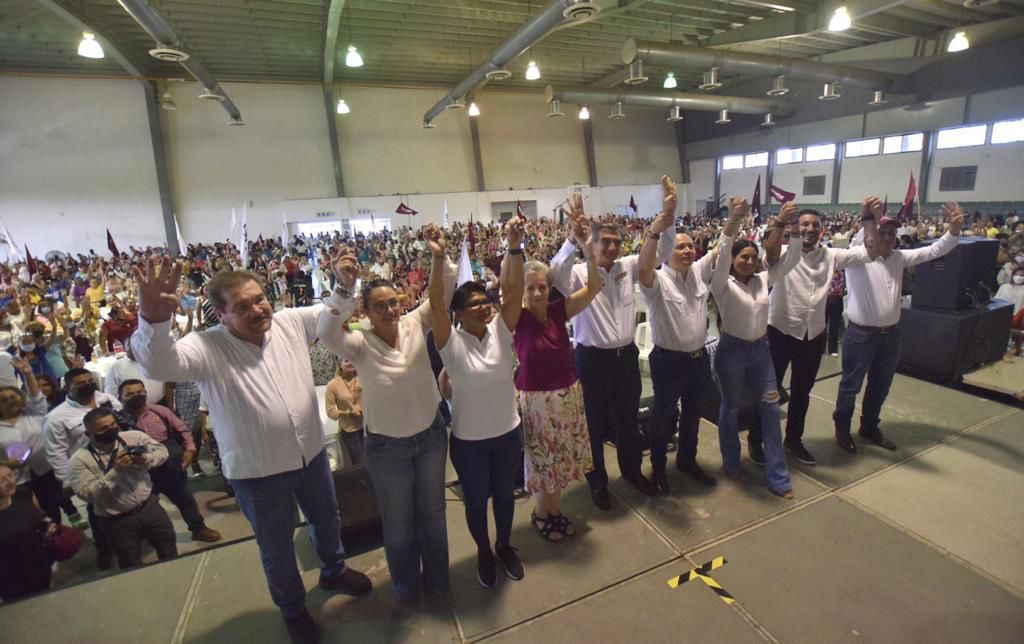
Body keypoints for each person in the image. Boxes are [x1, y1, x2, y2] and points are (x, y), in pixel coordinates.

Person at [131, 258, 371, 644]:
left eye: (259, 299)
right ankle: (293, 609)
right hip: (259, 474)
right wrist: (154, 321)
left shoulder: (289, 323)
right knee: (277, 546)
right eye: (242, 307)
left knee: (328, 519)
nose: (257, 309)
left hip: (310, 455)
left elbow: (330, 314)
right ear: (221, 315)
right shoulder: (206, 346)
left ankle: (334, 570)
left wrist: (343, 286)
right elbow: (159, 364)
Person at [317, 233, 456, 605]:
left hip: (430, 438)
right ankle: (406, 587)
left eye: (394, 302)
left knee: (433, 514)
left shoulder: (415, 323)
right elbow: (325, 331)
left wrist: (439, 258)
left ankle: (439, 579)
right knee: (399, 522)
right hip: (387, 449)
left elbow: (442, 296)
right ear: (364, 312)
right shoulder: (359, 343)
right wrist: (343, 289)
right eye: (380, 306)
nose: (391, 310)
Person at [548, 187, 675, 508]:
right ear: (592, 243)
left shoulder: (628, 266)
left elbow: (660, 255)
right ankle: (597, 482)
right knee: (593, 423)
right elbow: (554, 273)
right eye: (604, 241)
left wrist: (665, 221)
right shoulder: (579, 274)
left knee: (628, 420)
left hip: (625, 358)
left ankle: (631, 472)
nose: (612, 247)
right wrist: (572, 239)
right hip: (591, 360)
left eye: (616, 242)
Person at [431, 218, 526, 588]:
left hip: (508, 435)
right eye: (474, 304)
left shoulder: (501, 330)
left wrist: (514, 247)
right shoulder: (451, 344)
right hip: (469, 443)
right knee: (475, 502)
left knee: (504, 497)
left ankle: (504, 545)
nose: (485, 307)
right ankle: (484, 551)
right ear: (458, 313)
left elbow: (514, 293)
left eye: (486, 301)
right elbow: (435, 305)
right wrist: (438, 259)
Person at [833, 202, 964, 453]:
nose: (887, 238)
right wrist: (870, 216)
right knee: (851, 386)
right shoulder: (858, 258)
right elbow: (862, 237)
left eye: (891, 233)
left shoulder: (899, 258)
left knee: (880, 386)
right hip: (860, 336)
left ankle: (869, 427)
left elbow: (935, 250)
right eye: (882, 233)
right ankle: (842, 428)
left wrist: (954, 230)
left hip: (890, 336)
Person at [747, 203, 872, 467]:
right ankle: (756, 439)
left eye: (815, 225)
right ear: (796, 227)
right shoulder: (784, 251)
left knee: (802, 392)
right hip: (780, 331)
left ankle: (793, 440)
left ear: (822, 230)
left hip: (812, 335)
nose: (810, 229)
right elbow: (770, 254)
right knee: (769, 391)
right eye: (804, 224)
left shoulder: (831, 255)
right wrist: (781, 222)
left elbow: (869, 252)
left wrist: (869, 218)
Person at [514, 200, 601, 541]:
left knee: (562, 457)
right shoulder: (516, 318)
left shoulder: (557, 310)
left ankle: (554, 509)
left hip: (567, 395)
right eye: (531, 287)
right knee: (543, 459)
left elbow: (593, 288)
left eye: (542, 286)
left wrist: (587, 249)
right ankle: (541, 513)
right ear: (521, 291)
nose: (538, 292)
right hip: (536, 401)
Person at [710, 197, 802, 498]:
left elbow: (791, 260)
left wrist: (792, 227)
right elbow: (724, 249)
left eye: (753, 257)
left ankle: (778, 477)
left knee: (771, 409)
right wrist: (734, 219)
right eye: (743, 257)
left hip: (761, 354)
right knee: (731, 408)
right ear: (733, 260)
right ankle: (731, 462)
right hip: (731, 354)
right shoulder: (722, 284)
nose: (749, 262)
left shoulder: (763, 279)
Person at [637, 176, 719, 495]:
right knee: (663, 417)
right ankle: (658, 468)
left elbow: (721, 247)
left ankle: (687, 460)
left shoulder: (697, 273)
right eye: (680, 246)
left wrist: (734, 220)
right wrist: (664, 218)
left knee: (693, 415)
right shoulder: (657, 281)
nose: (686, 250)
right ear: (668, 252)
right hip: (669, 362)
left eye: (690, 246)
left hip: (698, 361)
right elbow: (644, 267)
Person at [68, 407, 177, 569]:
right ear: (88, 434)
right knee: (129, 561)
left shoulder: (134, 437)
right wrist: (115, 472)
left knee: (168, 543)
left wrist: (145, 459)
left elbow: (162, 452)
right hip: (117, 520)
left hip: (149, 507)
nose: (111, 429)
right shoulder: (79, 461)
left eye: (113, 424)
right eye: (103, 428)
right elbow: (87, 494)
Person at [116, 379, 220, 542]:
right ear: (120, 397)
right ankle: (152, 537)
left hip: (170, 465)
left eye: (139, 392)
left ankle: (198, 529)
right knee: (146, 507)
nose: (136, 396)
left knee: (185, 499)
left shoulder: (159, 411)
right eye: (130, 394)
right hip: (140, 470)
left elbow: (183, 430)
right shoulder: (118, 421)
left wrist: (190, 450)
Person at [43, 367, 122, 569]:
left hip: (120, 458)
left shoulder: (106, 400)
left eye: (89, 380)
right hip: (90, 469)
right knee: (98, 510)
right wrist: (67, 481)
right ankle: (104, 548)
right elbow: (56, 453)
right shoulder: (56, 417)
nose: (87, 385)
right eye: (80, 383)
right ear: (67, 387)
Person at [0, 356, 64, 524]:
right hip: (17, 479)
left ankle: (55, 534)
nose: (10, 400)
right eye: (4, 400)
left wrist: (28, 374)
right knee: (29, 514)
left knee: (52, 508)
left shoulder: (34, 413)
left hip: (45, 471)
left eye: (12, 396)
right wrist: (8, 463)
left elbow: (36, 397)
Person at [0, 462, 53, 601]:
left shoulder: (24, 493)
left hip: (40, 563)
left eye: (10, 475)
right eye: (2, 481)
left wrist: (48, 528)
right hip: (11, 577)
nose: (10, 482)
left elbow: (41, 517)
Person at [104, 332, 172, 407]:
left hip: (160, 405)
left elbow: (168, 386)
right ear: (125, 347)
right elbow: (112, 396)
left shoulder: (158, 361)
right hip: (132, 409)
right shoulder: (115, 367)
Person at [324, 359, 364, 467]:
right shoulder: (333, 385)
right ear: (339, 364)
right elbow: (330, 411)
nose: (350, 362)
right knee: (360, 464)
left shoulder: (363, 378)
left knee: (374, 461)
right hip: (350, 430)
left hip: (369, 427)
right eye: (346, 360)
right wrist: (348, 413)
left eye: (352, 359)